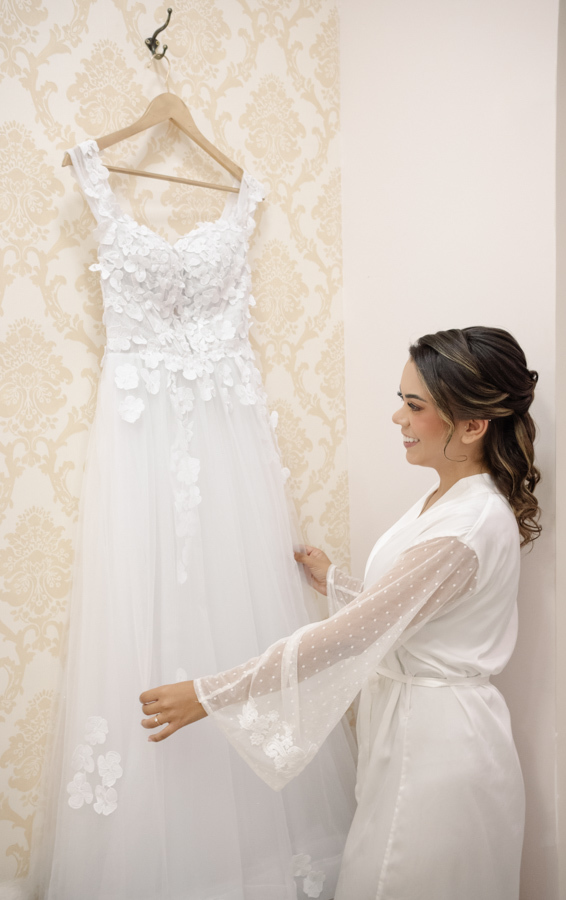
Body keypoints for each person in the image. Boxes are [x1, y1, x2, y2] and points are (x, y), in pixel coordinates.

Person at [140, 326, 540, 900]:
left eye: (414, 405)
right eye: (402, 400)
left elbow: (353, 637)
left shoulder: (467, 525)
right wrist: (337, 581)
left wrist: (210, 694)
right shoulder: (448, 499)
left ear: (473, 425)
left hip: (440, 748)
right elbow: (408, 613)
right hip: (416, 730)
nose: (397, 417)